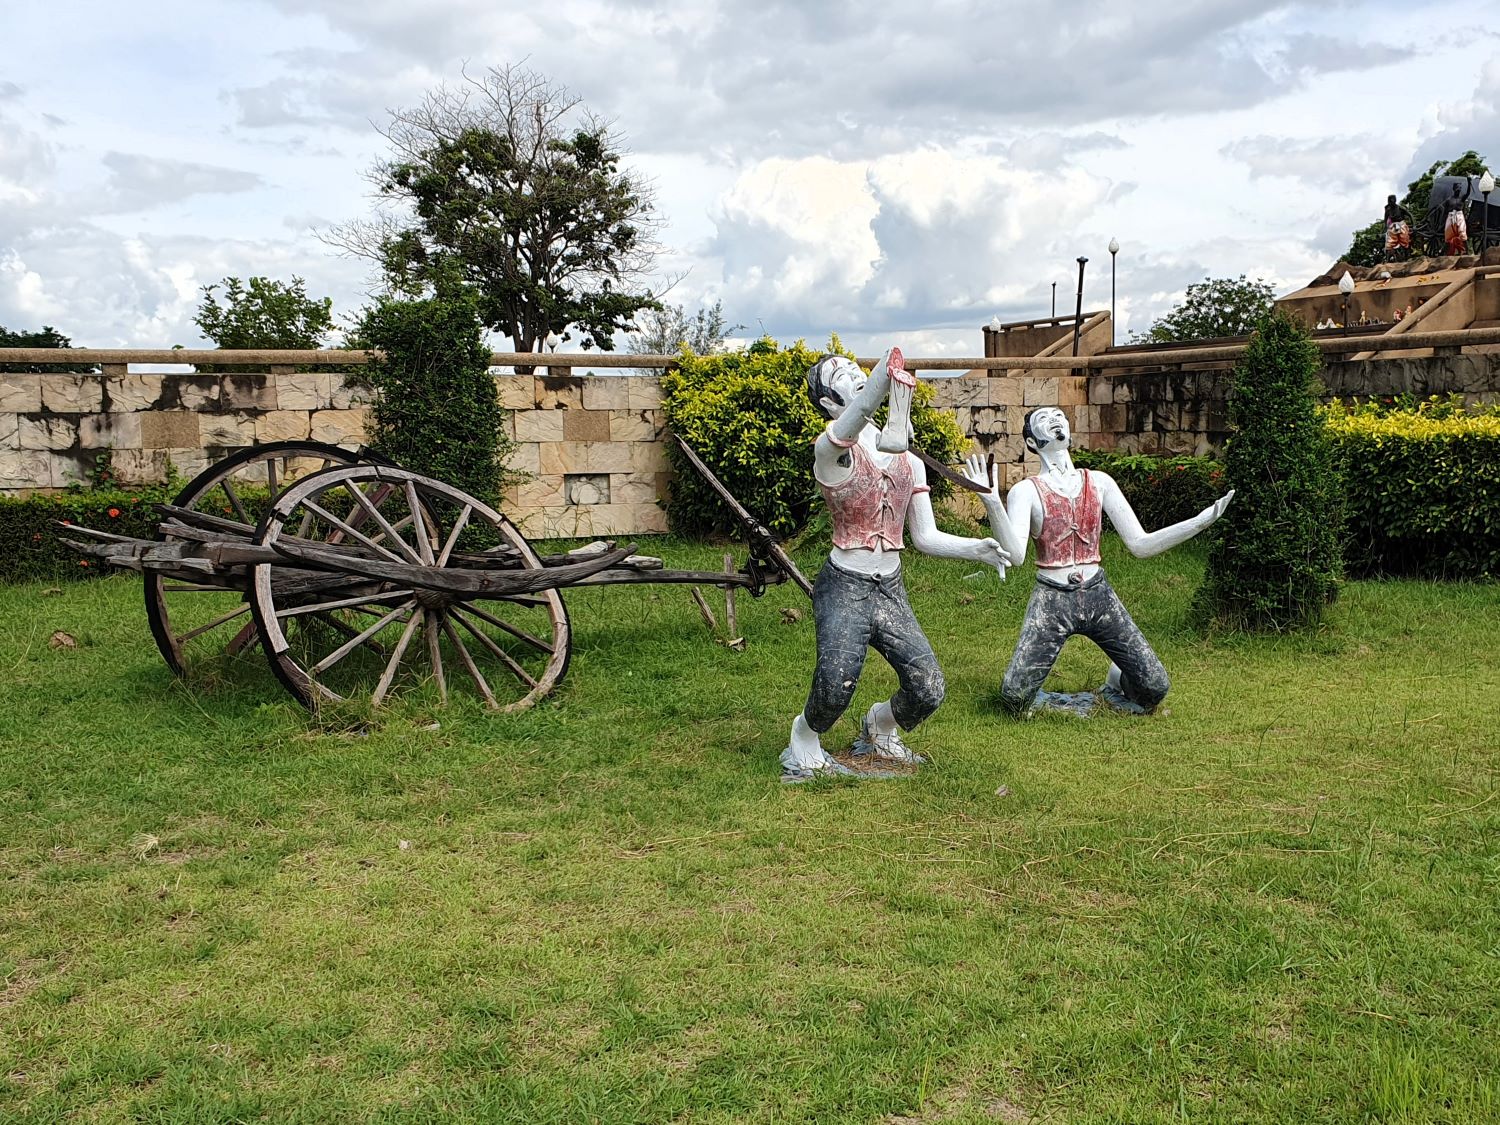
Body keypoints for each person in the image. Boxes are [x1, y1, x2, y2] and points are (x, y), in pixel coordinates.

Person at [780, 349, 1011, 783]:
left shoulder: (909, 458)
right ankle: (804, 735)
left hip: (889, 586)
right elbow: (862, 408)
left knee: (928, 687)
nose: (857, 375)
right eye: (843, 374)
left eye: (858, 369)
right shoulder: (830, 451)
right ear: (829, 402)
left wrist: (975, 549)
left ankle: (880, 726)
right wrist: (886, 373)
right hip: (844, 585)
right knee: (835, 684)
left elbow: (924, 536)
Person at [962, 407, 1232, 716]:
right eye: (1044, 419)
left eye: (1059, 416)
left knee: (1154, 687)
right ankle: (1066, 698)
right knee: (1016, 696)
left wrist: (1198, 523)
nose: (1054, 420)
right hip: (1052, 598)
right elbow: (1016, 556)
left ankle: (1117, 678)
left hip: (1098, 594)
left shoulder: (1100, 482)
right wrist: (992, 503)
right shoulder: (1026, 491)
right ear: (1032, 443)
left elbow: (1140, 544)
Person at [1444, 182, 1469, 256]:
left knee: (1462, 232)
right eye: (1457, 188)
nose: (1459, 189)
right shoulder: (1449, 200)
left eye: (1460, 188)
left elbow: (1468, 193)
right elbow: (1445, 211)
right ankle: (1446, 253)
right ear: (1454, 189)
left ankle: (1466, 251)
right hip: (1450, 216)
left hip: (1459, 215)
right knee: (1448, 234)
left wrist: (1469, 183)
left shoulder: (1461, 198)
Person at [1384, 195, 1412, 262]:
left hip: (1401, 224)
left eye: (1392, 200)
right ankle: (1387, 260)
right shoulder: (1388, 210)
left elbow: (1410, 215)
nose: (1390, 202)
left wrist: (1414, 225)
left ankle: (1407, 257)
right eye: (1389, 201)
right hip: (1393, 226)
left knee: (1405, 240)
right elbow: (1385, 220)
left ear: (1395, 200)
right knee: (1389, 243)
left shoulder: (1400, 208)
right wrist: (1386, 228)